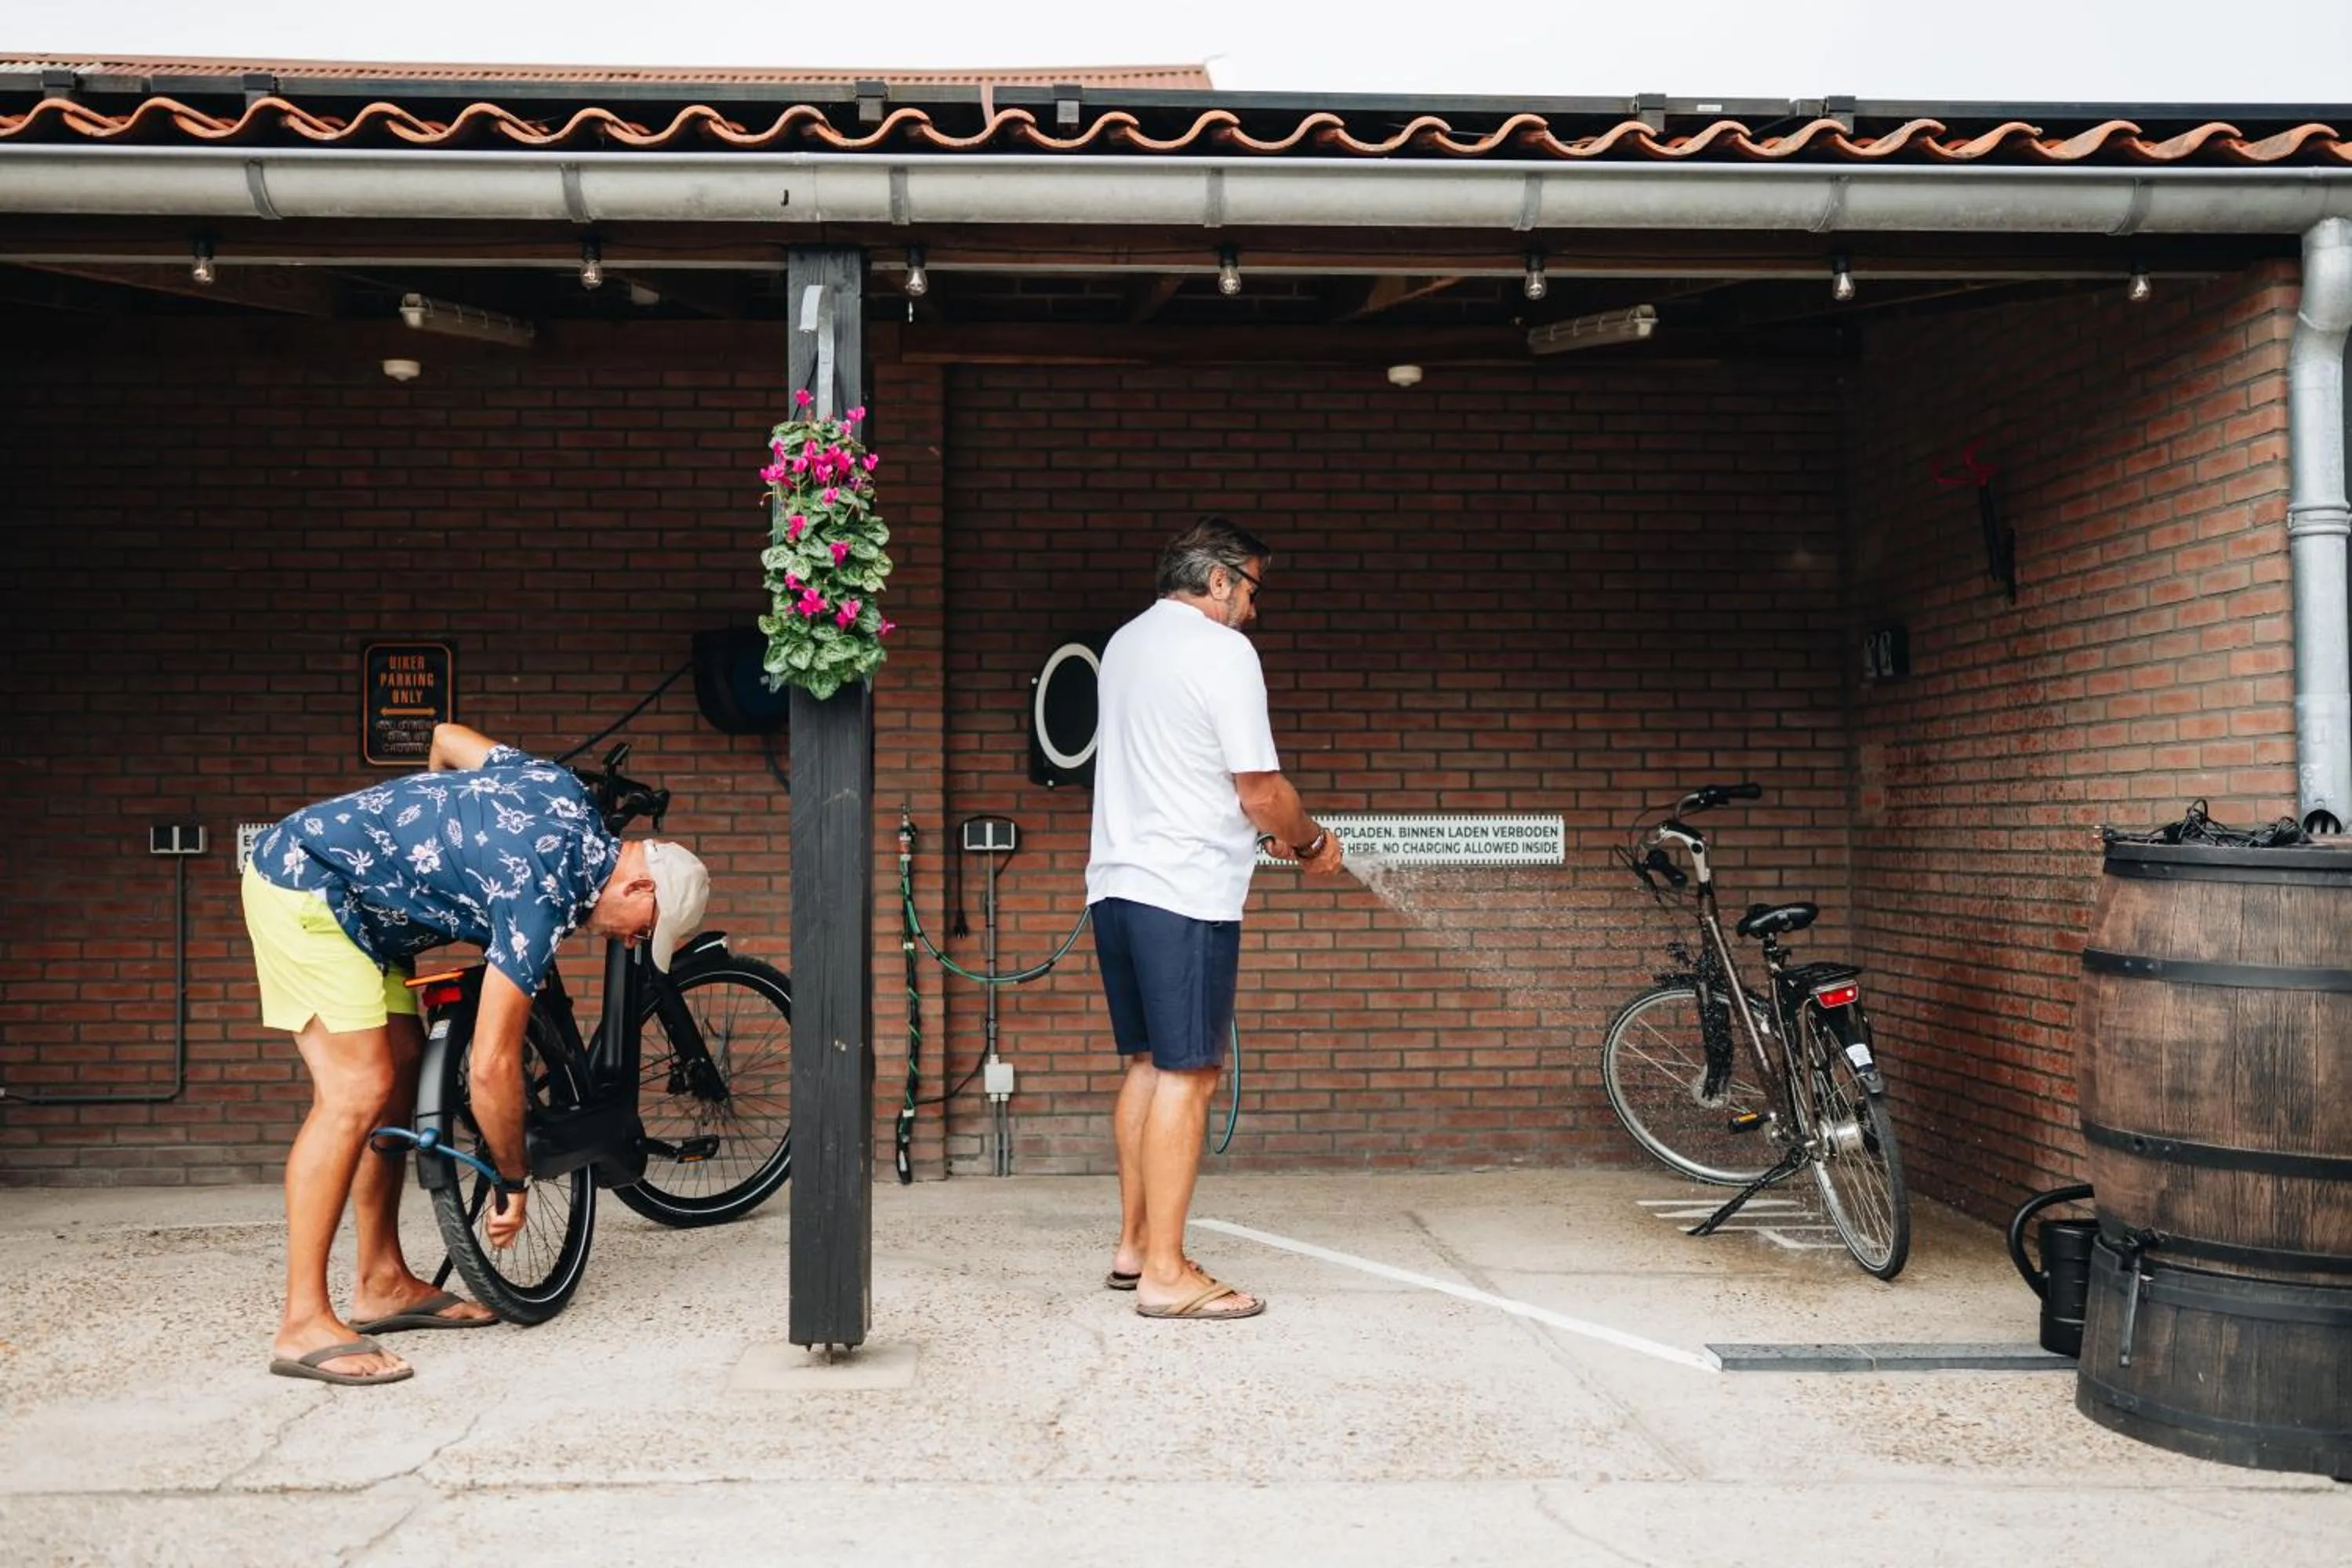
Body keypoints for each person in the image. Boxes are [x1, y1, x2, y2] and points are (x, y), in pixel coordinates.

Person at [239, 722, 709, 1385]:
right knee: (355, 1090)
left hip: (369, 911)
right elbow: (490, 1065)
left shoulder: (563, 792)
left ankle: (382, 1280)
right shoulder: (542, 896)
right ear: (639, 889)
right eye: (646, 933)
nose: (634, 944)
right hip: (305, 883)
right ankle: (302, 1323)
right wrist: (513, 1179)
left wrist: (431, 830)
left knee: (399, 1076)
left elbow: (449, 738)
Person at [1087, 517, 1345, 1321]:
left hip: (1118, 882)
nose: (1254, 612)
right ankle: (1166, 1272)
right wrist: (1309, 841)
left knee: (1145, 1063)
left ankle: (1135, 1247)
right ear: (1223, 578)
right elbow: (1260, 787)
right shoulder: (1222, 650)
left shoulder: (1127, 641)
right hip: (1185, 889)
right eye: (1253, 590)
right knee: (1190, 1073)